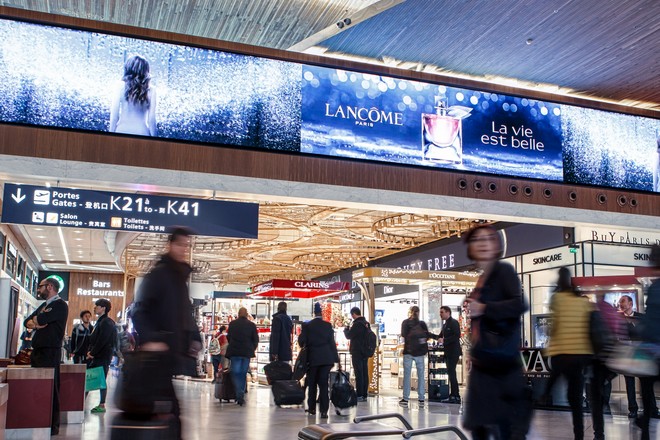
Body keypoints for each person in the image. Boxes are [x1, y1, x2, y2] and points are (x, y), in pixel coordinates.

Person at [132, 227, 202, 438]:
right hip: (158, 353)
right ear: (170, 245)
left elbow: (184, 312)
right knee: (168, 410)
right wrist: (152, 339)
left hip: (169, 352)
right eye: (180, 244)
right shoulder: (160, 274)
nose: (184, 249)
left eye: (186, 245)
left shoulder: (178, 277)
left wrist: (194, 337)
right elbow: (139, 310)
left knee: (166, 409)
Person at [461, 225, 530, 440]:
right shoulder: (484, 278)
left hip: (501, 369)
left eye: (488, 239)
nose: (482, 243)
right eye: (477, 240)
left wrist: (484, 308)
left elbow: (520, 304)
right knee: (479, 428)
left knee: (503, 430)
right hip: (484, 368)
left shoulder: (504, 271)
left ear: (497, 245)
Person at [545, 267, 597, 440]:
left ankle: (543, 396)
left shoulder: (557, 299)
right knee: (575, 399)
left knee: (552, 380)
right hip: (580, 354)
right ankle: (579, 435)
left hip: (562, 353)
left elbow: (554, 327)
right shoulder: (582, 301)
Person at [23, 277, 68, 436]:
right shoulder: (44, 305)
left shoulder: (60, 305)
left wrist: (37, 321)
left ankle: (51, 425)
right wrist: (36, 323)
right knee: (37, 388)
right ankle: (39, 420)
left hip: (50, 352)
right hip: (37, 352)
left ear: (49, 287)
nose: (38, 290)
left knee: (51, 389)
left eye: (40, 287)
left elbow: (40, 319)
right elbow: (27, 322)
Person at [299, 302, 340, 419]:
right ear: (321, 314)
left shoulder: (307, 326)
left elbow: (301, 342)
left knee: (312, 384)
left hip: (312, 359)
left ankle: (312, 408)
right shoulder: (328, 326)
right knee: (323, 385)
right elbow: (332, 343)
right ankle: (324, 411)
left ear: (313, 313)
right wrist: (336, 360)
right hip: (326, 359)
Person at [637, 244, 660, 440]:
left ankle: (644, 426)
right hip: (653, 345)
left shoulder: (654, 287)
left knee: (645, 387)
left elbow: (650, 320)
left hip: (652, 347)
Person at [109, 55, 158, 136]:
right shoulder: (152, 90)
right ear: (146, 70)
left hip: (121, 130)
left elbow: (114, 116)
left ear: (127, 68)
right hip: (142, 132)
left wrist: (109, 136)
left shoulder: (119, 86)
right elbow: (151, 120)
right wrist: (156, 141)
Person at [399, 305, 436, 408]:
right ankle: (421, 398)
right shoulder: (422, 324)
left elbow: (403, 335)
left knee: (407, 375)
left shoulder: (405, 323)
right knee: (421, 375)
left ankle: (406, 398)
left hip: (408, 352)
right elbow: (427, 335)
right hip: (420, 353)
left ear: (409, 312)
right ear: (418, 312)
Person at [86, 298, 116, 414]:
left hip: (102, 356)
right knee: (91, 379)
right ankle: (82, 402)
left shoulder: (106, 322)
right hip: (98, 356)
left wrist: (92, 353)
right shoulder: (101, 321)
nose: (95, 308)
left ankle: (102, 404)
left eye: (97, 306)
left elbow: (102, 340)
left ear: (103, 308)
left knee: (100, 379)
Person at [617, 294, 645, 418]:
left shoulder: (641, 317)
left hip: (641, 355)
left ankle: (652, 409)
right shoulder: (618, 319)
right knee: (629, 383)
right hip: (627, 354)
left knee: (645, 382)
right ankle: (632, 409)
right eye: (619, 302)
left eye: (623, 301)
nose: (621, 304)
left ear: (630, 303)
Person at [226, 307, 258, 406]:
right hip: (246, 353)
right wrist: (252, 348)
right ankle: (240, 394)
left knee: (235, 372)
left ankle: (239, 393)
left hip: (235, 352)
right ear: (247, 314)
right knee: (243, 373)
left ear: (238, 314)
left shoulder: (232, 324)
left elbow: (228, 337)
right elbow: (255, 339)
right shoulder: (252, 325)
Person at [343, 306, 370, 402]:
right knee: (364, 373)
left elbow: (349, 335)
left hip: (357, 351)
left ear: (354, 314)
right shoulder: (366, 323)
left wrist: (346, 329)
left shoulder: (357, 324)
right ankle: (364, 394)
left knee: (359, 373)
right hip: (365, 352)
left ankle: (359, 394)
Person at [439, 305, 462, 404]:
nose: (440, 314)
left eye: (442, 312)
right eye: (440, 312)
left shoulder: (454, 323)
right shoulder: (445, 325)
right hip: (448, 352)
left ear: (448, 312)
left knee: (452, 373)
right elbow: (439, 336)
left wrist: (445, 340)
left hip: (453, 352)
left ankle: (455, 396)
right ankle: (454, 395)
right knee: (451, 373)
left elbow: (457, 335)